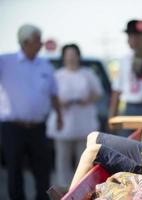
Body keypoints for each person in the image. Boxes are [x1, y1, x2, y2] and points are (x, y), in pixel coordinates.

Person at [0, 24, 62, 200]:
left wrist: (59, 116)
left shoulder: (45, 65)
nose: (41, 44)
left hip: (38, 128)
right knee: (14, 169)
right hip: (12, 128)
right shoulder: (5, 62)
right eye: (37, 40)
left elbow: (54, 94)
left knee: (42, 169)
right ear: (25, 42)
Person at [46, 44, 103, 188]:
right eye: (68, 55)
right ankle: (64, 188)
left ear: (78, 56)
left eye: (73, 54)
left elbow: (98, 92)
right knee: (62, 158)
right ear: (64, 57)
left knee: (84, 156)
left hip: (83, 120)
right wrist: (60, 103)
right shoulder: (57, 75)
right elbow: (50, 95)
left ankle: (82, 186)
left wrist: (87, 99)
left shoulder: (87, 73)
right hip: (64, 120)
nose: (71, 58)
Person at [109, 19, 142, 136]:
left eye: (135, 36)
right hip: (129, 108)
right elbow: (117, 89)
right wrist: (112, 115)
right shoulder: (124, 60)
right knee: (126, 145)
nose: (130, 39)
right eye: (129, 36)